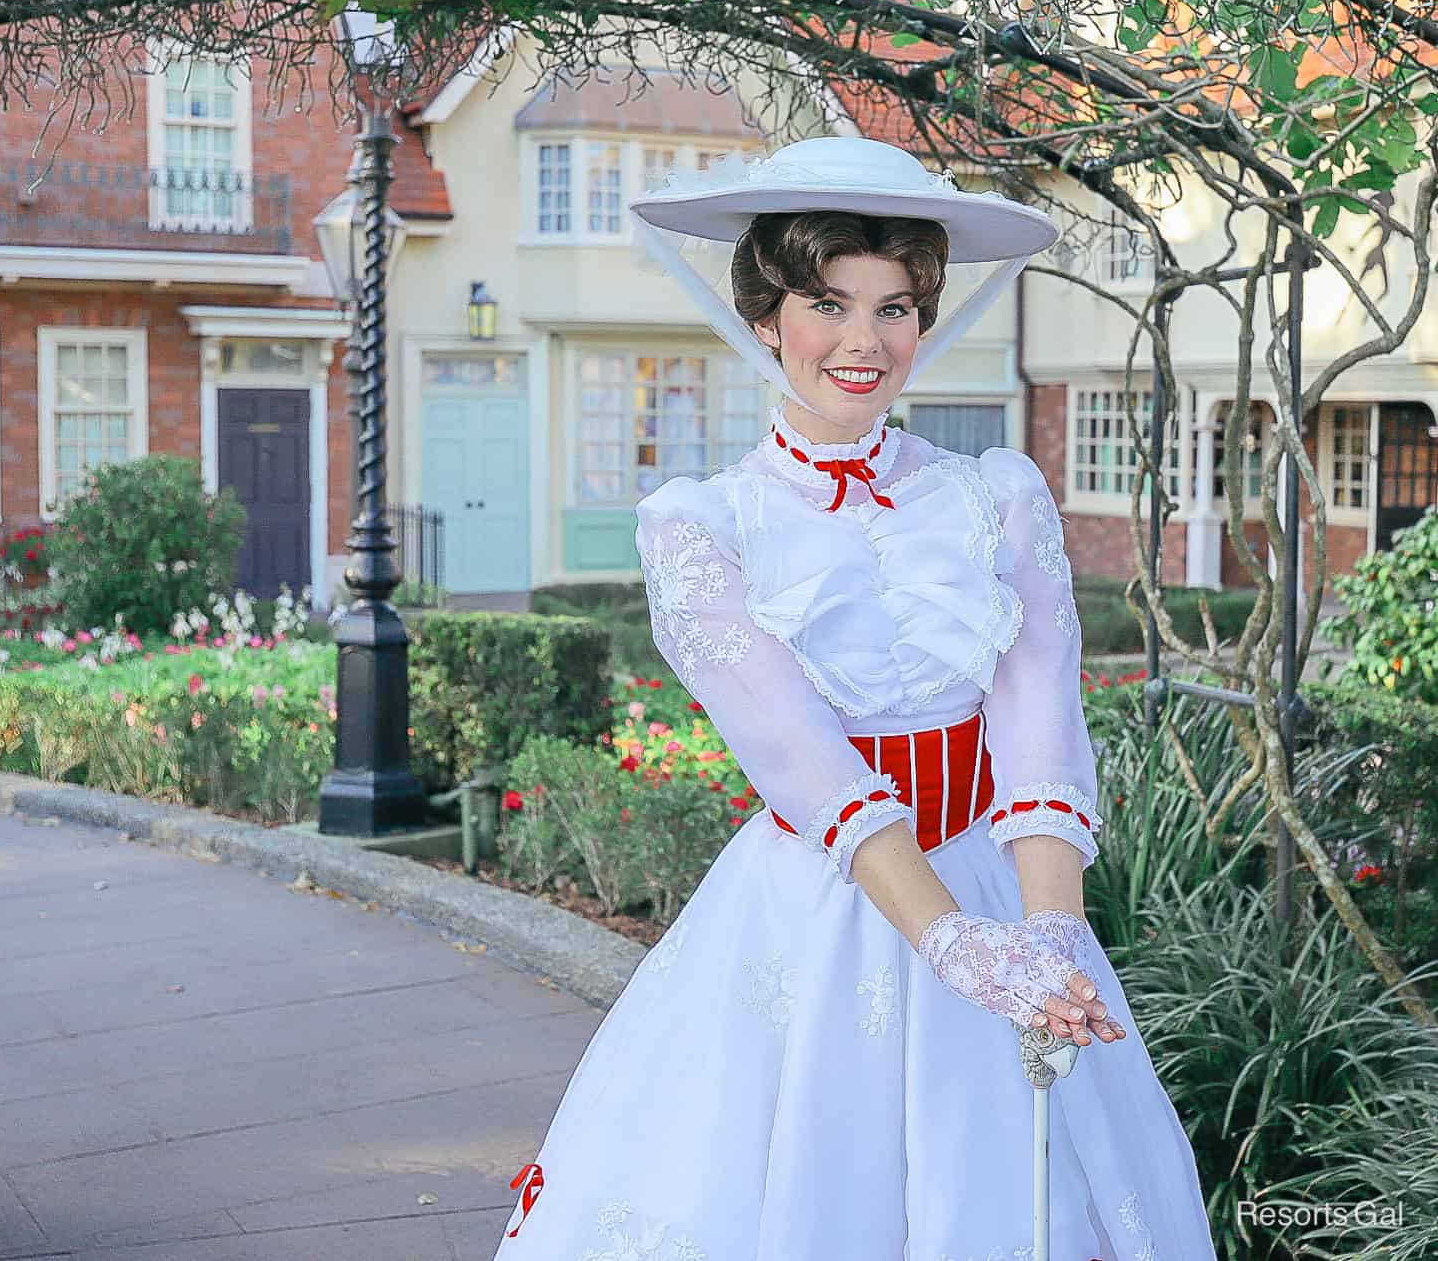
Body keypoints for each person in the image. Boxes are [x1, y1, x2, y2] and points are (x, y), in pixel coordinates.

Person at [491, 137, 1217, 1260]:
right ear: (765, 314)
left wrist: (1049, 933)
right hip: (823, 904)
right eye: (828, 303)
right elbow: (798, 755)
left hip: (1000, 879)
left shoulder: (995, 499)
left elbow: (1037, 720)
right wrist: (955, 947)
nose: (864, 342)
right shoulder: (705, 524)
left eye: (895, 308)